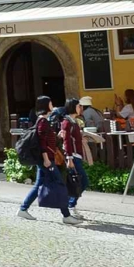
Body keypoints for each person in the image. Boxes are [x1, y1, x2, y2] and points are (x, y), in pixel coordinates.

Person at [17, 96, 83, 225]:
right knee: (60, 184)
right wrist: (46, 159)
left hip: (44, 160)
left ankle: (23, 209)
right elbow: (42, 143)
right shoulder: (43, 121)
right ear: (46, 105)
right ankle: (66, 215)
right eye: (50, 103)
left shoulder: (43, 120)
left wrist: (56, 136)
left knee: (38, 185)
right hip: (46, 160)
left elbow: (47, 140)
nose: (52, 105)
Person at [58, 98, 89, 221]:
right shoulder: (67, 122)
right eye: (79, 106)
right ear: (73, 107)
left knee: (78, 182)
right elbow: (66, 142)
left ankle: (71, 205)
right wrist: (69, 158)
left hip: (77, 155)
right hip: (73, 156)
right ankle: (70, 205)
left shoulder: (74, 121)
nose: (81, 108)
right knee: (81, 181)